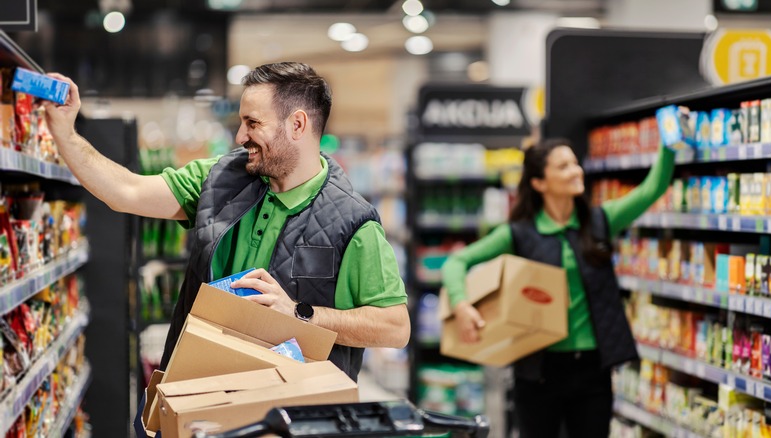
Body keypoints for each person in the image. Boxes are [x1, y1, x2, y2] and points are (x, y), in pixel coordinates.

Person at [42, 62, 410, 431]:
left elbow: (394, 327)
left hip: (287, 421)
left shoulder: (352, 221)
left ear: (297, 125)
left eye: (253, 123)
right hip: (199, 402)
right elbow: (127, 192)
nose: (239, 136)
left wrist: (301, 314)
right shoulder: (221, 179)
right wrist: (65, 132)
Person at [441, 137, 676, 437]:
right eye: (564, 166)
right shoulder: (520, 233)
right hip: (539, 370)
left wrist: (669, 141)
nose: (576, 171)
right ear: (539, 182)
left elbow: (651, 189)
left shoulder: (599, 221)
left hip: (593, 370)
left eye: (575, 163)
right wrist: (462, 306)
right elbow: (457, 262)